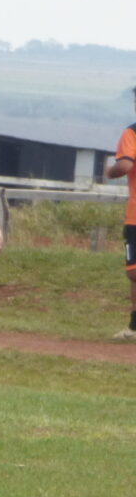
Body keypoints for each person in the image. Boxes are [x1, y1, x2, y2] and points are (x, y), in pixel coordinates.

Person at [107, 96, 136, 341]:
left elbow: (125, 165)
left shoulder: (132, 133)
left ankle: (134, 328)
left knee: (134, 272)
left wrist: (109, 171)